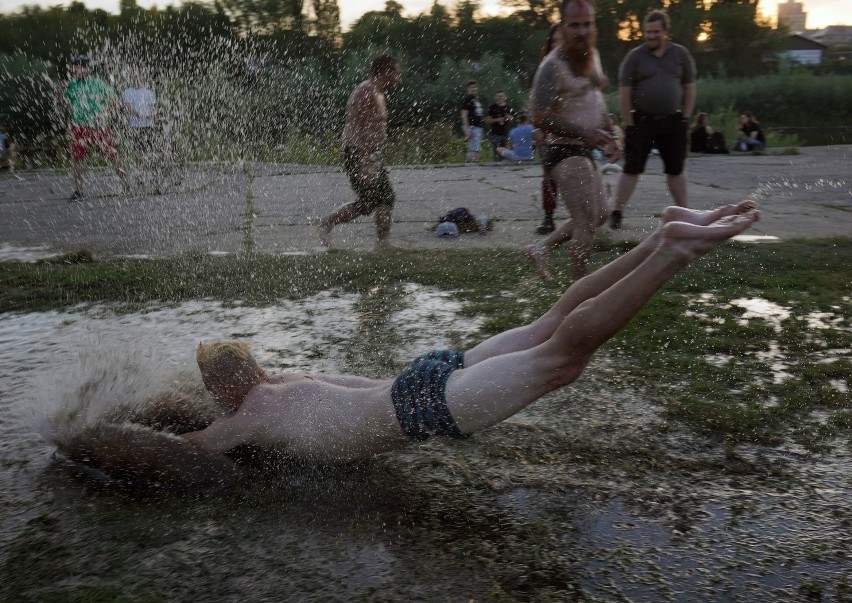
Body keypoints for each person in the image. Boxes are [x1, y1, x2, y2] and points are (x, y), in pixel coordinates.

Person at [178, 202, 759, 464]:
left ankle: (674, 251)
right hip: (424, 374)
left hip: (420, 405)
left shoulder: (248, 414)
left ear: (224, 390)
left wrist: (102, 435)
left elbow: (191, 451)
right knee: (551, 322)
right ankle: (662, 238)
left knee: (563, 357)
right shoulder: (284, 381)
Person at [524, 0, 621, 281]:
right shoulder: (551, 67)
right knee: (586, 222)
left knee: (601, 214)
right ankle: (580, 292)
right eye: (574, 25)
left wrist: (612, 133)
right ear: (563, 27)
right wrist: (585, 133)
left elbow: (594, 99)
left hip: (585, 149)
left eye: (587, 23)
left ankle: (541, 247)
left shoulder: (592, 55)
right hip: (561, 150)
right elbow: (538, 116)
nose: (582, 30)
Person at [609, 10, 696, 230]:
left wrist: (685, 118)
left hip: (673, 121)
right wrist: (629, 123)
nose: (651, 36)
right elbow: (624, 92)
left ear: (666, 32)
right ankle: (617, 212)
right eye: (648, 32)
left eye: (656, 32)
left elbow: (689, 87)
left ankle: (684, 213)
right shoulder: (635, 57)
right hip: (642, 121)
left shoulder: (680, 55)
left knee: (675, 170)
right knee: (631, 169)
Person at [317, 55, 401, 250]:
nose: (398, 78)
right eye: (396, 73)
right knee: (374, 200)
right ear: (385, 72)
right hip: (358, 153)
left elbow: (374, 126)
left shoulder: (376, 92)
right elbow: (358, 127)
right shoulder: (366, 91)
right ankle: (326, 224)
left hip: (369, 154)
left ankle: (382, 243)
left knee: (382, 198)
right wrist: (364, 162)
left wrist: (374, 157)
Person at [55, 54, 130, 202]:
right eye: (77, 67)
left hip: (100, 127)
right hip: (80, 127)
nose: (80, 70)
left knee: (113, 156)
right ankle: (79, 191)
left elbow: (116, 103)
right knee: (77, 159)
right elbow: (60, 104)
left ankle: (126, 185)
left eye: (83, 67)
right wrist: (58, 91)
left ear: (89, 68)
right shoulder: (71, 85)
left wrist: (105, 113)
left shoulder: (99, 84)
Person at [534, 23, 565, 235]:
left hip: (575, 125)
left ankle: (582, 217)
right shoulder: (544, 66)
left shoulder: (580, 65)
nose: (557, 44)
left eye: (560, 40)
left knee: (578, 173)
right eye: (553, 40)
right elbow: (535, 100)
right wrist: (537, 128)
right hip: (548, 124)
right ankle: (548, 216)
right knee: (549, 173)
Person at [121, 69, 159, 186]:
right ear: (131, 78)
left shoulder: (148, 92)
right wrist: (138, 114)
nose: (136, 78)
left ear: (142, 77)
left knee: (151, 150)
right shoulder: (127, 92)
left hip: (148, 125)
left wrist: (151, 115)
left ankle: (152, 175)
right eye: (134, 76)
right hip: (134, 125)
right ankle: (140, 174)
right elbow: (127, 108)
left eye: (138, 76)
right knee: (138, 151)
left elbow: (153, 109)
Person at [460, 80, 485, 163]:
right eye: (471, 87)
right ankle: (473, 164)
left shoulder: (476, 100)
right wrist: (467, 129)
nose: (474, 89)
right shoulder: (467, 99)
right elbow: (464, 114)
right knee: (474, 148)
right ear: (468, 89)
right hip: (471, 126)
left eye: (475, 87)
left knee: (474, 147)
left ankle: (471, 164)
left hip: (478, 126)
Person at [486, 90, 514, 161]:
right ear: (496, 97)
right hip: (495, 134)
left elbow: (512, 120)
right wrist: (497, 120)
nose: (499, 98)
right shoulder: (492, 106)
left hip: (505, 134)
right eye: (498, 96)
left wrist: (509, 118)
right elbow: (487, 120)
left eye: (501, 96)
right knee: (496, 154)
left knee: (506, 153)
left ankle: (504, 170)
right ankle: (496, 169)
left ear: (505, 97)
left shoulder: (508, 107)